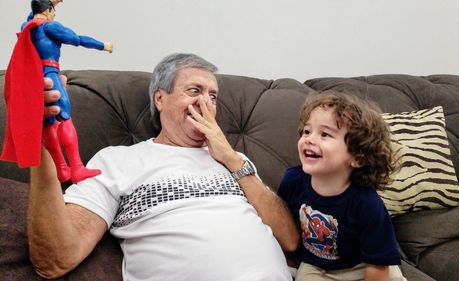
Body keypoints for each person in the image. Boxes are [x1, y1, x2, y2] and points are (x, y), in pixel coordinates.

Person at [29, 53, 300, 280]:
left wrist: (231, 158)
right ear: (160, 99)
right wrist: (37, 140)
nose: (205, 103)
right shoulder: (117, 161)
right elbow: (56, 259)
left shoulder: (236, 161)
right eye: (194, 91)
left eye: (213, 97)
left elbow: (289, 239)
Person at [277, 92, 406, 281]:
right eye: (307, 131)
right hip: (316, 266)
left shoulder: (368, 204)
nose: (310, 139)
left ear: (358, 157)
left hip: (364, 264)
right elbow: (283, 225)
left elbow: (378, 266)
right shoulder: (292, 180)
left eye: (325, 134)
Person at [1, 0, 113, 183]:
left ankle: (61, 168)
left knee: (48, 124)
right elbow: (77, 39)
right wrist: (103, 45)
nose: (55, 15)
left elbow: (32, 16)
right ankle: (77, 167)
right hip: (51, 74)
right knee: (65, 119)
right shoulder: (51, 27)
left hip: (35, 78)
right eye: (53, 11)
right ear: (48, 10)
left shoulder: (28, 26)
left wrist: (45, 4)